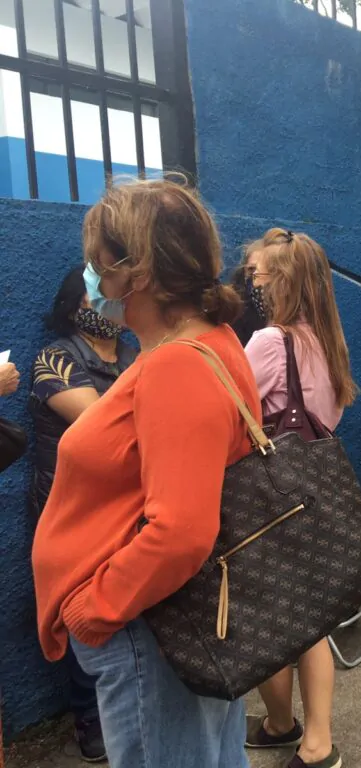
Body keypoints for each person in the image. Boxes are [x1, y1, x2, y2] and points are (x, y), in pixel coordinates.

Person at [32, 178, 254, 768]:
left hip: (145, 630)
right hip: (166, 620)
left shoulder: (177, 365)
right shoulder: (201, 344)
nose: (91, 281)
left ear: (141, 272)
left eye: (98, 266)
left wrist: (93, 611)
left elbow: (180, 530)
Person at [242, 228, 357, 768]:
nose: (252, 284)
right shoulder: (328, 341)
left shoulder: (269, 342)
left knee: (264, 616)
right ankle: (311, 737)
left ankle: (292, 729)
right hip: (315, 490)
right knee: (309, 616)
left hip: (268, 497)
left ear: (282, 280)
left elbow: (230, 410)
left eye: (257, 274)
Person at [27, 267, 139, 763]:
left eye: (114, 298)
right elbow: (104, 425)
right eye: (99, 299)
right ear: (76, 309)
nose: (111, 307)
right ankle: (89, 716)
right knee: (80, 612)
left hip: (129, 507)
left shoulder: (136, 354)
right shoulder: (55, 359)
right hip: (69, 510)